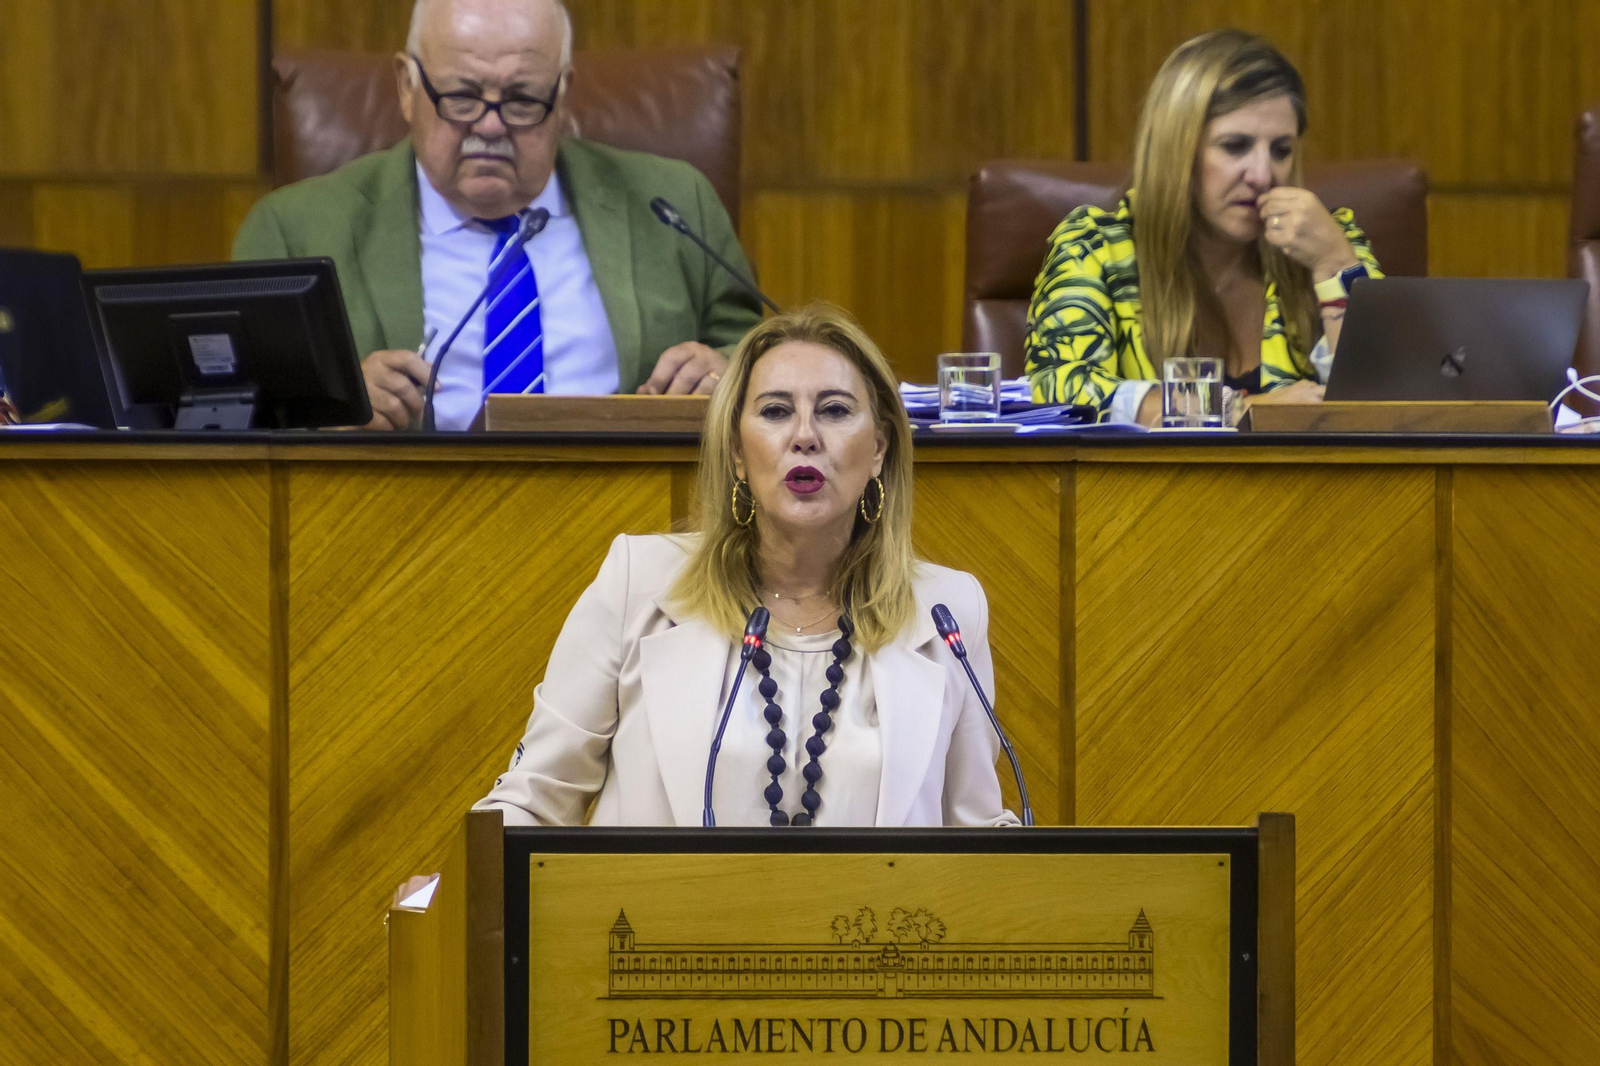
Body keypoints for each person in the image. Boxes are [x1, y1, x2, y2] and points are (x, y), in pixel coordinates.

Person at [476, 305, 1018, 827]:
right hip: (668, 920)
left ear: (878, 448)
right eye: (776, 411)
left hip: (867, 921)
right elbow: (536, 796)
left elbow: (976, 829)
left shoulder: (947, 611)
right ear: (737, 450)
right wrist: (453, 888)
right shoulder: (638, 583)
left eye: (834, 410)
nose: (805, 435)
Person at [233, 0, 762, 431]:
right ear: (406, 87)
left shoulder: (672, 204)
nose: (489, 126)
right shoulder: (293, 229)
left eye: (522, 99)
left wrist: (726, 373)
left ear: (563, 96)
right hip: (392, 533)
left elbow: (757, 356)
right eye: (461, 97)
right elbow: (239, 408)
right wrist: (333, 405)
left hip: (629, 519)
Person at [1024, 30, 1384, 425]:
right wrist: (1239, 411)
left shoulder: (1330, 242)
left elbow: (1397, 403)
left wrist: (1333, 265)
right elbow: (1059, 389)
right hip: (1142, 487)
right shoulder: (1095, 247)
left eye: (1281, 150)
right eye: (1235, 146)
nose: (1263, 175)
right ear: (1177, 152)